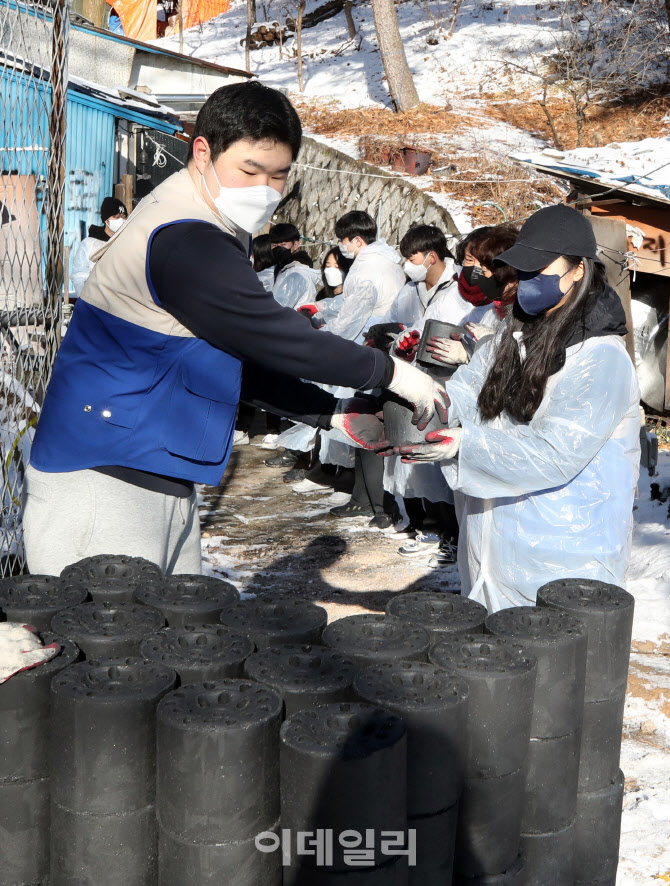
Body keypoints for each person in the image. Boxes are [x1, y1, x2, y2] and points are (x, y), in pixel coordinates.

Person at [23, 81, 444, 576]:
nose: (264, 189)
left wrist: (327, 411)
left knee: (171, 632)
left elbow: (228, 356)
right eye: (250, 169)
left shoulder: (212, 221)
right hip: (103, 476)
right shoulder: (185, 237)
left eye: (278, 176)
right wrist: (391, 372)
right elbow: (271, 337)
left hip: (149, 462)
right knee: (115, 641)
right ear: (203, 151)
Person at [396, 204, 641, 611]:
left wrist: (464, 445)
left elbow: (552, 453)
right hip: (494, 550)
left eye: (539, 271)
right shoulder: (515, 332)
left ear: (578, 269)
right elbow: (468, 390)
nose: (526, 282)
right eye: (522, 271)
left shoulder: (600, 357)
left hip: (563, 558)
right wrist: (421, 405)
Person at [424, 224, 519, 368]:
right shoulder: (494, 308)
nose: (481, 272)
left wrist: (473, 352)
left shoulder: (526, 311)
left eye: (485, 266)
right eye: (470, 260)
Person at [70, 197, 128, 297]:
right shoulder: (89, 244)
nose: (121, 221)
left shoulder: (128, 241)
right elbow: (79, 276)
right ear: (106, 220)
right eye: (116, 217)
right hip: (97, 301)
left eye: (124, 217)